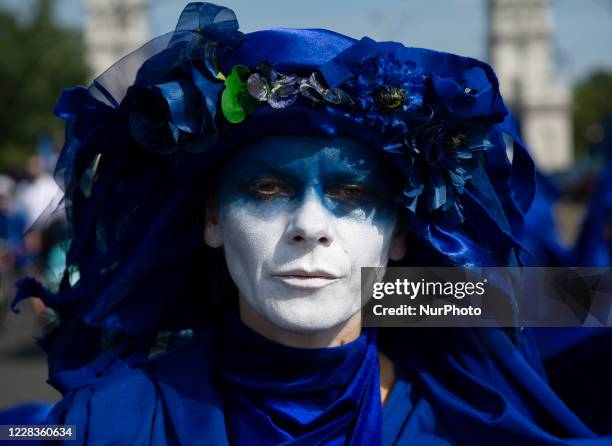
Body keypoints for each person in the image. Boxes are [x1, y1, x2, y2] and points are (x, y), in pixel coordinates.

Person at [12, 3, 612, 445]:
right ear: (213, 218)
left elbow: (574, 303)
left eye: (351, 192)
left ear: (401, 232)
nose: (310, 225)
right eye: (267, 189)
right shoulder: (102, 425)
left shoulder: (471, 417)